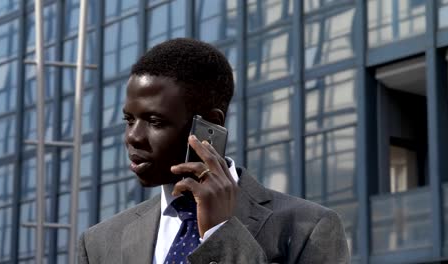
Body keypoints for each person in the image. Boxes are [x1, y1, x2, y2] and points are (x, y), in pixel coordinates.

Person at [78, 38, 349, 264]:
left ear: (210, 123)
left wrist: (220, 231)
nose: (133, 137)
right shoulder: (99, 243)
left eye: (155, 122)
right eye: (129, 120)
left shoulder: (309, 227)